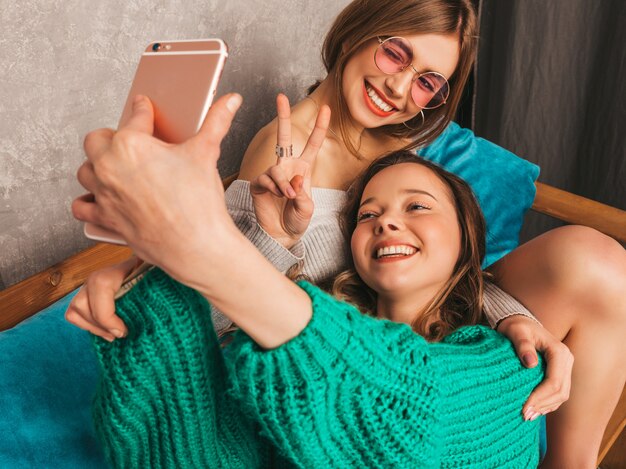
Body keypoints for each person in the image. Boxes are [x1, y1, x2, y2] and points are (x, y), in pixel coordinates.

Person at [68, 0, 626, 465]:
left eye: (428, 81)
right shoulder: (284, 156)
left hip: (428, 334)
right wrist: (167, 265)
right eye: (394, 52)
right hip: (344, 365)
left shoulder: (400, 144)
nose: (401, 87)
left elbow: (448, 263)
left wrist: (509, 314)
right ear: (358, 31)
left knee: (597, 261)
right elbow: (240, 324)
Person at [88, 147, 546, 467]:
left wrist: (208, 247)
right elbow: (201, 455)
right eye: (368, 215)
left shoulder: (507, 363)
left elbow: (409, 408)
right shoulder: (278, 373)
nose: (386, 220)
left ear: (466, 237)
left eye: (418, 207)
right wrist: (148, 292)